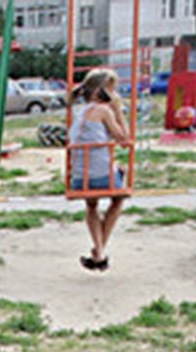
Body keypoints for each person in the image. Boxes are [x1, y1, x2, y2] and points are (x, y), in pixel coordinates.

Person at [67, 68, 130, 272]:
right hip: (101, 176)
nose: (114, 96)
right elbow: (124, 140)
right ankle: (100, 249)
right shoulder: (104, 111)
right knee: (118, 197)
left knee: (92, 204)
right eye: (112, 91)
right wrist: (119, 110)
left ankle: (99, 253)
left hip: (79, 177)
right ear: (101, 92)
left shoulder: (79, 111)